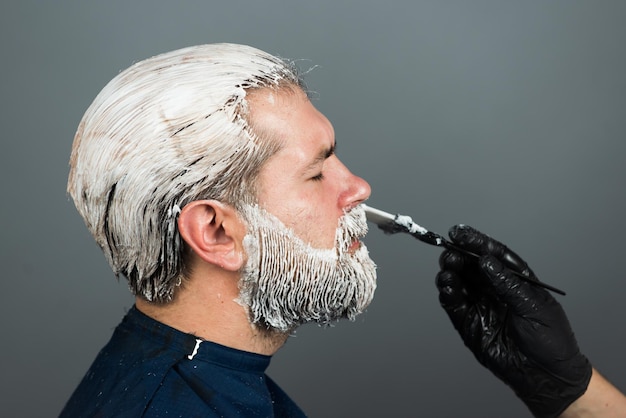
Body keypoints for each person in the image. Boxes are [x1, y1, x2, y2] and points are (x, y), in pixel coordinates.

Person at [61, 43, 625, 417]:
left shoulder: (194, 375)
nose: (358, 188)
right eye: (316, 172)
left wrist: (563, 388)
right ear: (216, 233)